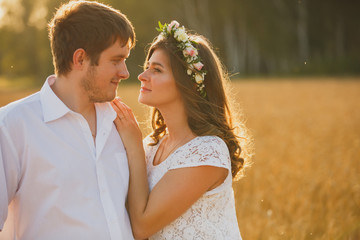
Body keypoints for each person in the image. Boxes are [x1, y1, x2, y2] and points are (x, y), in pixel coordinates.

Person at [0, 1, 136, 239]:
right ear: (80, 59)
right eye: (116, 60)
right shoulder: (13, 125)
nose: (125, 72)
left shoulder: (121, 123)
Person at [112, 20, 251, 239]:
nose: (142, 76)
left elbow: (141, 227)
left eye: (157, 69)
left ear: (191, 84)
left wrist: (132, 144)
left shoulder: (207, 152)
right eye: (147, 67)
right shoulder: (151, 146)